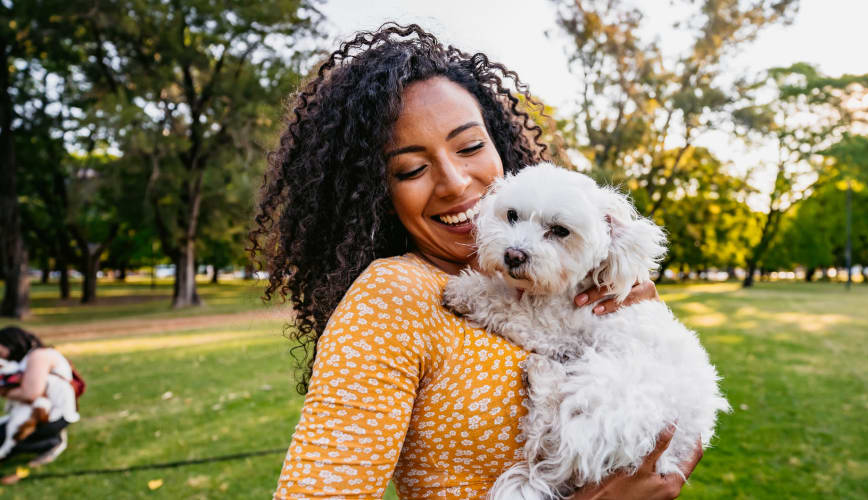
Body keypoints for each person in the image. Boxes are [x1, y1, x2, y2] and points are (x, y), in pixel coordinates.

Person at [253, 23, 702, 499]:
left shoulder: (563, 285)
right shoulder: (392, 296)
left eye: (469, 146)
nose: (453, 181)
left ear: (500, 145)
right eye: (411, 168)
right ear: (375, 192)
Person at [0, 326, 79, 467]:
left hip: (51, 417)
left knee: (9, 440)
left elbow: (30, 394)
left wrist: (4, 391)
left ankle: (50, 442)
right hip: (36, 413)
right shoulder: (28, 358)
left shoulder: (39, 356)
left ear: (9, 343)